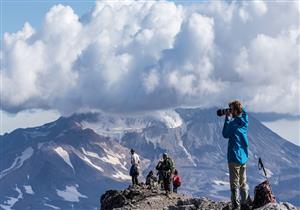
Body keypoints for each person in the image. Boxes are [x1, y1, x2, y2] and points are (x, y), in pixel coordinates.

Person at [222, 100, 249, 210]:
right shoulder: (244, 121)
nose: (230, 111)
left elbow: (225, 134)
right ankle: (244, 204)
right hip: (243, 157)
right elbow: (245, 113)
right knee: (243, 182)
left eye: (231, 109)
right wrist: (238, 108)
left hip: (234, 157)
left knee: (234, 184)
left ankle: (236, 206)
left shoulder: (233, 124)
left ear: (235, 111)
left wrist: (227, 118)